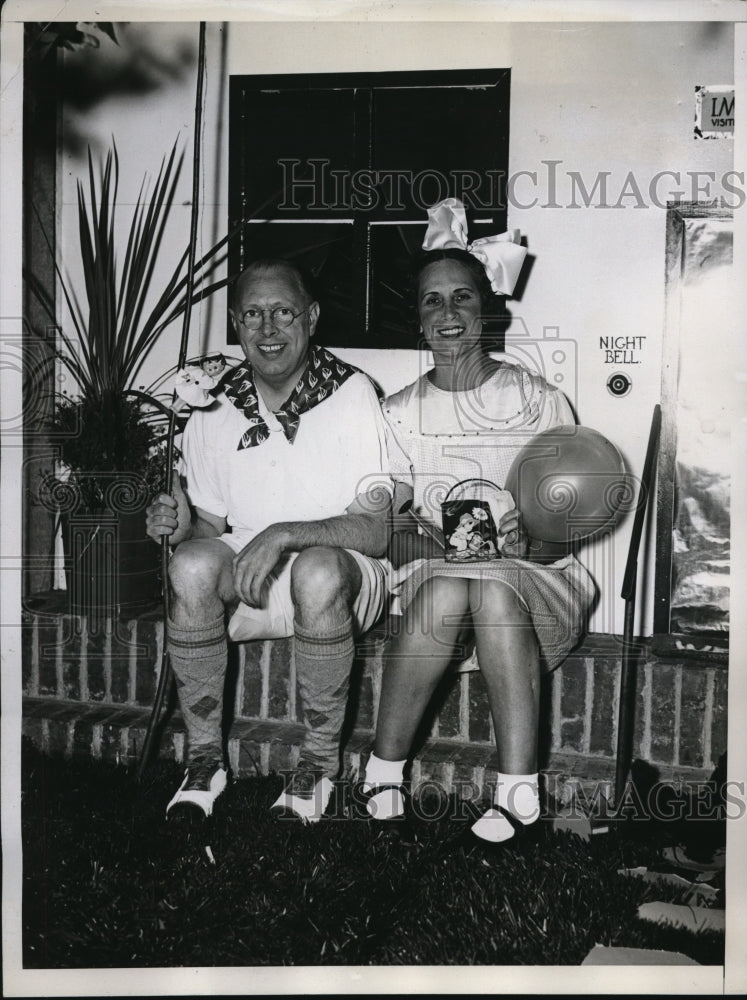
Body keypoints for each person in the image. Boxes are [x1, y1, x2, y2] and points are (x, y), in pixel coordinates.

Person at [360, 199, 596, 848]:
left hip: (535, 579)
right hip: (437, 582)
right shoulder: (398, 411)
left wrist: (536, 537)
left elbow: (572, 522)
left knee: (491, 582)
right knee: (448, 584)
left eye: (461, 298)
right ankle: (381, 773)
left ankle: (516, 788)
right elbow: (390, 526)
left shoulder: (536, 399)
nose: (447, 315)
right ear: (418, 318)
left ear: (486, 309)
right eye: (431, 302)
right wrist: (423, 536)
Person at [146, 259, 392, 823]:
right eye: (252, 314)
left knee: (318, 570)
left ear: (311, 317)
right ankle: (205, 759)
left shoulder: (353, 393)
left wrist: (283, 535)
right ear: (235, 323)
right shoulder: (213, 403)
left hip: (346, 575)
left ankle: (319, 767)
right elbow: (210, 529)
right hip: (254, 576)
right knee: (188, 567)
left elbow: (376, 531)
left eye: (283, 312)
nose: (267, 329)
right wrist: (179, 525)